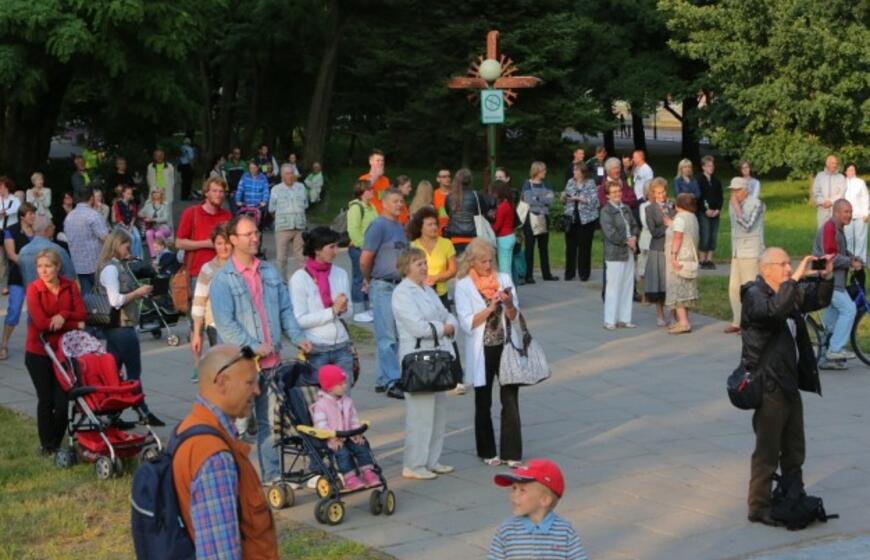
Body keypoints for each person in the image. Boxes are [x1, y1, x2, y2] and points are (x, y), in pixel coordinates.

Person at [210, 214, 312, 483]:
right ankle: (228, 479)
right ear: (233, 240)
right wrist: (254, 347)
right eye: (249, 234)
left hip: (271, 364)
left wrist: (297, 336)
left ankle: (272, 478)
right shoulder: (223, 280)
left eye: (256, 233)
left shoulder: (268, 271)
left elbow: (285, 309)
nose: (255, 238)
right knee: (231, 426)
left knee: (269, 424)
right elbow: (226, 325)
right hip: (241, 367)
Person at [741, 249, 833, 526]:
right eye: (783, 264)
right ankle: (758, 507)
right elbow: (774, 312)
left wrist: (825, 278)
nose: (788, 267)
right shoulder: (754, 295)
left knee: (795, 447)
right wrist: (794, 279)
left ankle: (793, 492)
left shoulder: (786, 291)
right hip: (769, 385)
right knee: (767, 450)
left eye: (788, 263)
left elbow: (817, 298)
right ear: (766, 268)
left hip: (789, 383)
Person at [172, 344, 279, 559]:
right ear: (222, 382)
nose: (256, 391)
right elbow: (219, 553)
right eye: (249, 382)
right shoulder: (214, 457)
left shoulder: (189, 427)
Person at [454, 238, 522, 467]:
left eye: (490, 260)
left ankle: (511, 451)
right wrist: (490, 308)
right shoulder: (463, 285)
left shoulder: (503, 279)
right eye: (483, 261)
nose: (488, 265)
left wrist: (509, 304)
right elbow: (466, 323)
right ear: (471, 262)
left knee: (510, 398)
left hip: (506, 345)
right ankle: (487, 450)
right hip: (482, 348)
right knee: (483, 401)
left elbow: (515, 315)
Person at [392, 247, 458, 479]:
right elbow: (417, 327)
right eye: (417, 263)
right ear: (406, 267)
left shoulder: (427, 289)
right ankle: (414, 464)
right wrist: (444, 328)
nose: (423, 266)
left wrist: (449, 325)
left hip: (437, 355)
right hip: (417, 358)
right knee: (420, 414)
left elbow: (445, 313)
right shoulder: (402, 293)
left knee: (438, 411)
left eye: (424, 262)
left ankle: (432, 459)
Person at [96, 228, 163, 425]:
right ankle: (143, 412)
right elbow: (115, 300)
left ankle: (112, 414)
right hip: (121, 326)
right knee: (134, 372)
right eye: (127, 245)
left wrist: (141, 290)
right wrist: (138, 293)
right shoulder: (110, 269)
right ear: (117, 245)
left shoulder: (118, 265)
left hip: (117, 327)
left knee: (113, 372)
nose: (129, 249)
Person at [25, 249, 86, 454]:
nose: (44, 270)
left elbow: (81, 314)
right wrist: (73, 323)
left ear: (57, 267)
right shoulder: (34, 289)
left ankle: (55, 441)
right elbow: (42, 324)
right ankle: (47, 446)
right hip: (39, 352)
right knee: (46, 400)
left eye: (48, 266)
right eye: (40, 266)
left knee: (63, 402)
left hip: (64, 352)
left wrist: (63, 314)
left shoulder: (69, 286)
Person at [360, 189, 408, 400]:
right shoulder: (378, 226)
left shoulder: (399, 227)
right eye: (396, 201)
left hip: (399, 285)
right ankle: (393, 380)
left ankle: (382, 377)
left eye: (402, 201)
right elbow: (365, 258)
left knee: (393, 333)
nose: (400, 204)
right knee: (387, 335)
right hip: (383, 285)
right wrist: (369, 279)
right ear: (385, 204)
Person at [290, 226, 355, 379]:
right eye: (331, 247)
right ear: (317, 250)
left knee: (344, 396)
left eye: (337, 246)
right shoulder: (300, 278)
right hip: (317, 348)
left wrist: (344, 309)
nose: (336, 251)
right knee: (320, 398)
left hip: (342, 345)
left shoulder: (340, 274)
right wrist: (332, 312)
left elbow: (350, 312)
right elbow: (299, 320)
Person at [490, 459, 588, 560]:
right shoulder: (506, 530)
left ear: (544, 500)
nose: (514, 495)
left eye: (522, 490)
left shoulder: (565, 532)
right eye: (514, 488)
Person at [309, 365, 380, 489]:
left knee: (362, 446)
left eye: (344, 383)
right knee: (343, 453)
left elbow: (353, 419)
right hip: (332, 439)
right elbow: (320, 425)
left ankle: (368, 472)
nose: (345, 386)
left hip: (348, 435)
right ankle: (350, 478)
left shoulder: (347, 401)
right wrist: (331, 438)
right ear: (329, 387)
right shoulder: (321, 405)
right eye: (340, 384)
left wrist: (357, 433)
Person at [814, 199, 862, 366]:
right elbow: (830, 256)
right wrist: (850, 263)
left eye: (850, 211)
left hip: (833, 279)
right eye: (846, 211)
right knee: (849, 309)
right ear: (836, 212)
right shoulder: (830, 228)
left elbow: (837, 251)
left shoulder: (837, 228)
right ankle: (835, 349)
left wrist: (851, 256)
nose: (849, 215)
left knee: (833, 318)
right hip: (828, 279)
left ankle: (824, 355)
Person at [190, 223, 232, 381]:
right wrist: (196, 333)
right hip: (216, 325)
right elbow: (199, 302)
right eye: (219, 243)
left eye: (227, 242)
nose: (224, 247)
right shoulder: (207, 269)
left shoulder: (242, 266)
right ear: (214, 245)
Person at [726, 177, 765, 334]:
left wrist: (737, 209)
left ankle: (750, 323)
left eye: (737, 190)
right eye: (732, 191)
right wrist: (735, 206)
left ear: (745, 190)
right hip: (737, 251)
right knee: (734, 288)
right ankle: (738, 321)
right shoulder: (732, 204)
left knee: (749, 290)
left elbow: (748, 225)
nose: (734, 194)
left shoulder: (756, 204)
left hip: (751, 251)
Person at [176, 176, 232, 286]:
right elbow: (179, 243)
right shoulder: (191, 213)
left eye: (221, 192)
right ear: (206, 193)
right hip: (197, 274)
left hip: (222, 272)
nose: (218, 194)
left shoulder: (227, 216)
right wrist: (207, 243)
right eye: (214, 191)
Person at [600, 181, 640, 330]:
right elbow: (610, 233)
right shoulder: (606, 211)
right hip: (615, 253)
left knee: (628, 285)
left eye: (619, 191)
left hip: (629, 251)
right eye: (614, 192)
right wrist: (626, 241)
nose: (617, 194)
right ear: (608, 195)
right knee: (613, 287)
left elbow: (635, 226)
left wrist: (634, 237)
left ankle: (625, 318)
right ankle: (610, 320)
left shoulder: (626, 208)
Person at [2, 203, 36, 360]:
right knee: (14, 311)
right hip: (18, 277)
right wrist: (29, 265)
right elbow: (10, 254)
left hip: (36, 278)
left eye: (34, 214)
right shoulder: (11, 230)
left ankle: (34, 345)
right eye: (30, 214)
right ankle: (4, 344)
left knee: (35, 313)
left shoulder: (37, 231)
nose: (33, 217)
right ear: (22, 216)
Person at [665, 193, 701, 334]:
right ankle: (683, 320)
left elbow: (678, 237)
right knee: (686, 290)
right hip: (690, 256)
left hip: (680, 256)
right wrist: (670, 224)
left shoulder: (680, 218)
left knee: (678, 289)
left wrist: (673, 255)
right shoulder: (692, 217)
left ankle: (684, 323)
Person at [64, 186, 110, 295]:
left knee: (87, 297)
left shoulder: (69, 216)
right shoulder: (93, 215)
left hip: (79, 265)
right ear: (91, 198)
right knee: (103, 297)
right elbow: (106, 238)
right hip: (96, 264)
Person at [410, 207, 457, 310]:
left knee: (447, 325)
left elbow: (453, 270)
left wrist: (436, 278)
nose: (434, 227)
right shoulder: (413, 246)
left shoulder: (446, 243)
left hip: (441, 295)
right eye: (429, 225)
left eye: (435, 224)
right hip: (419, 296)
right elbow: (408, 272)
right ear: (420, 227)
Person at [270, 164, 309, 280]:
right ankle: (282, 283)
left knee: (302, 257)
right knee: (281, 258)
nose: (290, 176)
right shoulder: (276, 189)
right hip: (283, 228)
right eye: (287, 173)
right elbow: (271, 209)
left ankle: (304, 281)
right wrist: (282, 219)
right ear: (282, 175)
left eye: (292, 173)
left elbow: (305, 205)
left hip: (299, 227)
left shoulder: (301, 187)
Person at [562, 163, 599, 282]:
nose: (574, 172)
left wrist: (578, 199)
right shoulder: (570, 182)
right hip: (571, 217)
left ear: (583, 172)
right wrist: (564, 197)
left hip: (587, 219)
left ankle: (584, 274)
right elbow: (566, 198)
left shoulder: (590, 183)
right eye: (574, 170)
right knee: (570, 247)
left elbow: (594, 201)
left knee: (585, 247)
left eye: (577, 170)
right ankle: (569, 273)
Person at [521, 162, 558, 283]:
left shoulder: (546, 184)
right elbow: (527, 199)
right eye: (543, 170)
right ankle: (528, 275)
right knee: (529, 247)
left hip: (544, 217)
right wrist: (543, 199)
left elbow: (551, 200)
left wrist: (536, 198)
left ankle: (546, 274)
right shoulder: (527, 184)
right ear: (536, 171)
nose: (545, 172)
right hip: (530, 219)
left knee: (543, 247)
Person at [644, 179, 674, 327]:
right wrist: (668, 226)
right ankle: (660, 315)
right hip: (658, 248)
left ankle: (674, 315)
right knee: (659, 285)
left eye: (663, 192)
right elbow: (654, 232)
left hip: (673, 249)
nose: (661, 195)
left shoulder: (672, 205)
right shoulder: (650, 209)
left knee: (672, 284)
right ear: (653, 194)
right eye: (657, 193)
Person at [347, 180, 377, 323]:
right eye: (369, 190)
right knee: (359, 278)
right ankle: (358, 309)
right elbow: (353, 230)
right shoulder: (356, 208)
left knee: (368, 278)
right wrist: (363, 246)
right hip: (359, 249)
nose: (372, 192)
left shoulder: (372, 207)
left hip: (370, 249)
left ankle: (367, 307)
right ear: (362, 192)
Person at [19, 215, 75, 287]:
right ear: (47, 230)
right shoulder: (57, 249)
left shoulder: (23, 251)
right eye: (52, 226)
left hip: (31, 295)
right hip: (54, 295)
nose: (54, 227)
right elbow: (70, 276)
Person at [444, 168, 489, 255]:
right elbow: (484, 211)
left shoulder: (450, 197)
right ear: (470, 180)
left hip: (454, 238)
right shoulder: (476, 195)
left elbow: (448, 213)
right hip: (473, 238)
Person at [697, 155, 723, 269]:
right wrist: (705, 210)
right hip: (704, 212)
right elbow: (698, 197)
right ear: (703, 167)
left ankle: (709, 259)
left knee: (713, 235)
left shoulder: (716, 181)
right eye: (708, 166)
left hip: (715, 212)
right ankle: (702, 260)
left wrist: (717, 209)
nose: (711, 168)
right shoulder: (699, 180)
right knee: (705, 234)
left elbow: (720, 197)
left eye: (712, 165)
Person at [812, 154, 847, 229]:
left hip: (836, 210)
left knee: (836, 233)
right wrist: (822, 202)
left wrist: (831, 202)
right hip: (822, 209)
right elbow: (816, 192)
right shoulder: (820, 176)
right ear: (827, 163)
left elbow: (841, 193)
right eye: (832, 163)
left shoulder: (841, 177)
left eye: (836, 163)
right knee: (822, 233)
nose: (835, 165)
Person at [843, 163, 868, 265]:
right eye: (849, 170)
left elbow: (866, 198)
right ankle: (850, 260)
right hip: (846, 216)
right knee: (847, 238)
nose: (851, 172)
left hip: (860, 214)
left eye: (853, 170)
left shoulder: (860, 182)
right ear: (845, 171)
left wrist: (866, 213)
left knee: (860, 238)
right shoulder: (842, 183)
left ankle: (860, 260)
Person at [0, 176, 21, 294]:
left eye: (1, 186)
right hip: (0, 231)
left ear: (6, 186)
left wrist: (4, 212)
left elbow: (15, 210)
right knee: (1, 259)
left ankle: (9, 284)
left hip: (10, 232)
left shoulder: (14, 199)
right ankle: (4, 283)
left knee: (10, 257)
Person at [112, 185, 144, 259]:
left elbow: (134, 215)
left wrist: (131, 226)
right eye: (128, 193)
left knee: (138, 237)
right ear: (123, 194)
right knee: (131, 238)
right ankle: (130, 256)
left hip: (131, 224)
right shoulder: (118, 203)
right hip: (121, 225)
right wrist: (126, 227)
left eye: (131, 194)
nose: (130, 195)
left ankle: (137, 256)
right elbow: (118, 217)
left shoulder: (132, 203)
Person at [492, 180, 516, 277]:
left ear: (498, 192)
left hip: (503, 238)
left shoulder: (502, 206)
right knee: (507, 267)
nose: (493, 194)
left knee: (504, 270)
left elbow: (497, 226)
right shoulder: (509, 204)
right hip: (509, 236)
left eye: (494, 191)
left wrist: (489, 230)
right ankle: (510, 290)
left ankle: (507, 291)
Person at [140, 189, 172, 257]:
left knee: (158, 234)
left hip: (164, 227)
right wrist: (146, 216)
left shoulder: (165, 204)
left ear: (161, 194)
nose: (155, 194)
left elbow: (165, 218)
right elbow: (140, 213)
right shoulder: (148, 204)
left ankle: (164, 253)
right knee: (148, 233)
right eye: (154, 192)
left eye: (157, 192)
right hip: (152, 227)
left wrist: (153, 219)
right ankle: (154, 255)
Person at [360, 149, 390, 215]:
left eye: (382, 160)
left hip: (384, 216)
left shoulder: (386, 180)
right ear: (370, 162)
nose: (381, 163)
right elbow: (363, 191)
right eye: (378, 160)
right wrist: (376, 176)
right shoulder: (363, 178)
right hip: (369, 216)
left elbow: (386, 198)